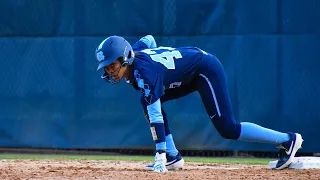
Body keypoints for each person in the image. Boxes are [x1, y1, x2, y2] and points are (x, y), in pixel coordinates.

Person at [94, 35, 303, 172]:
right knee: (147, 100)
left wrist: (159, 154)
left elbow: (156, 115)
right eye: (106, 67)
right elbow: (148, 40)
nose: (110, 70)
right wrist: (161, 64)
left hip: (204, 69)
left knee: (228, 128)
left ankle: (287, 140)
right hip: (188, 72)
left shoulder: (145, 73)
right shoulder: (135, 56)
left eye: (112, 64)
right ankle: (173, 156)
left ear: (125, 58)